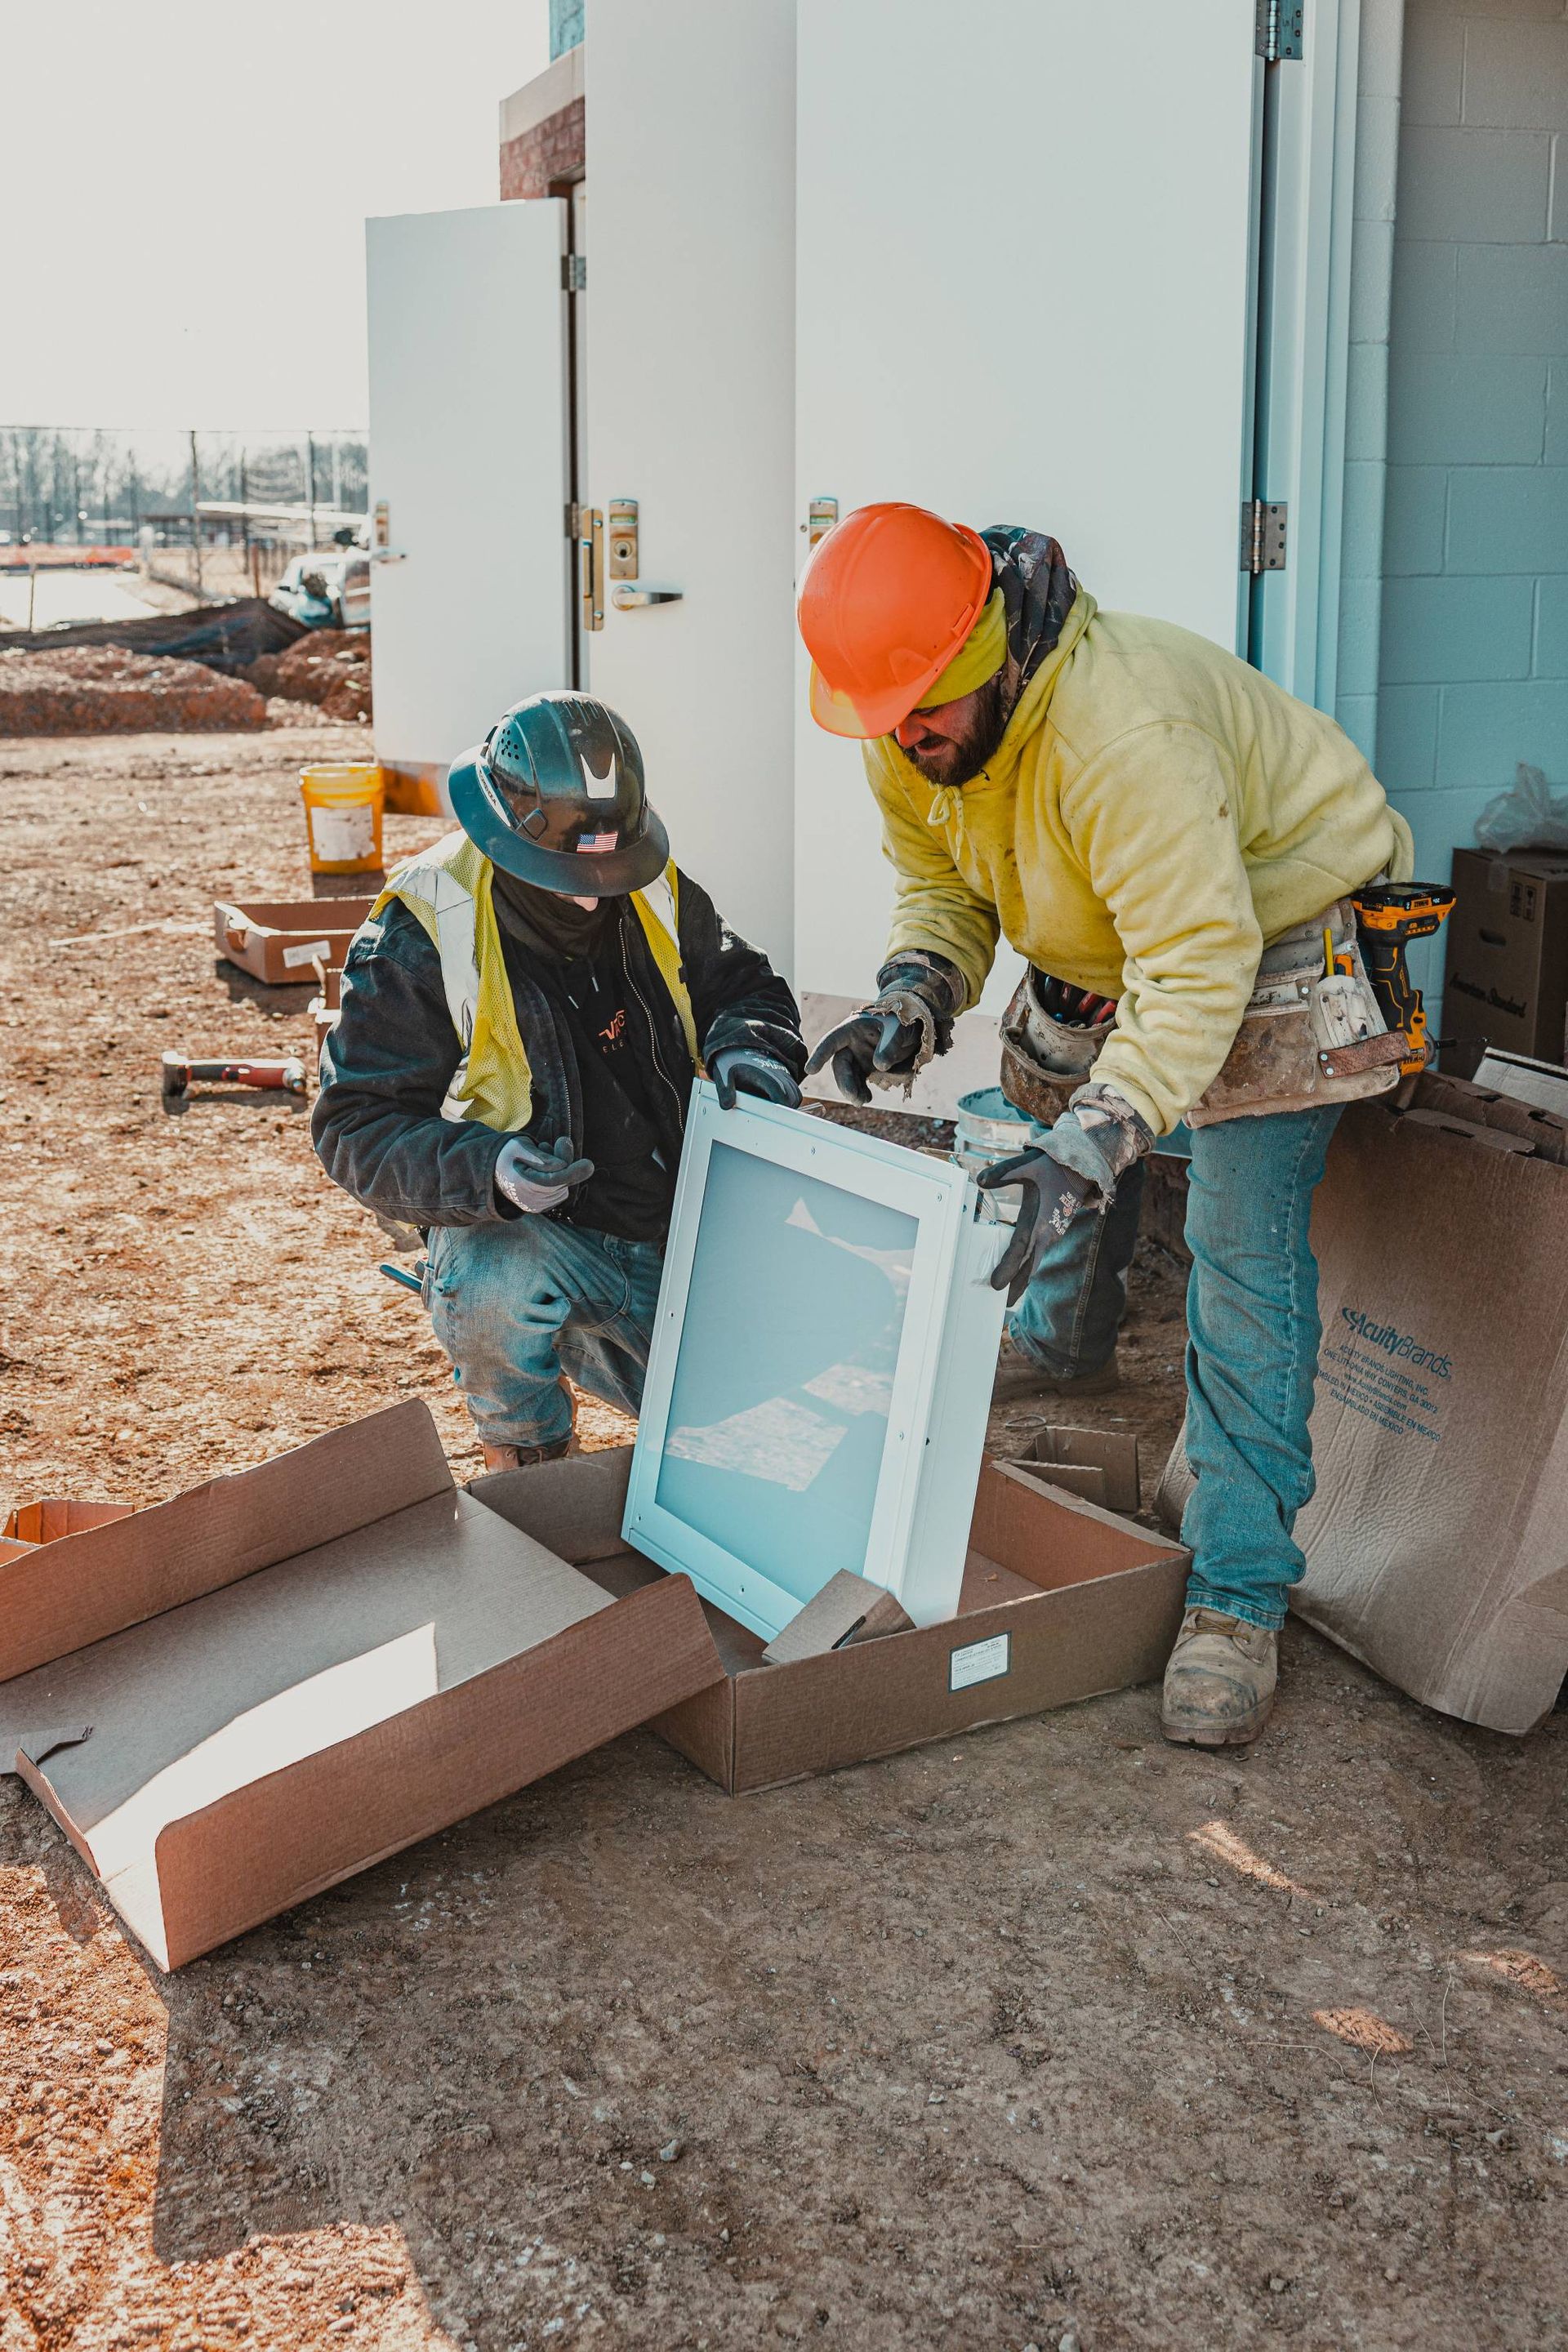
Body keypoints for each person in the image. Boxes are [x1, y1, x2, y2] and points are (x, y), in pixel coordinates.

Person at [798, 502, 1414, 1749]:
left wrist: (1101, 1136)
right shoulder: (907, 719)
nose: (906, 740)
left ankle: (1239, 1598)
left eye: (922, 714)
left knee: (1236, 1248)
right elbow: (942, 878)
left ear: (985, 656)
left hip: (1281, 922)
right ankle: (1065, 1336)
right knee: (1046, 1113)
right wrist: (915, 992)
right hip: (1137, 928)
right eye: (885, 724)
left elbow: (1196, 964)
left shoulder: (1122, 732)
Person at [314, 693, 805, 1468]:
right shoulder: (424, 926)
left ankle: (677, 1372)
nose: (597, 889)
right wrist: (492, 1171)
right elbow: (354, 1126)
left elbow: (748, 990)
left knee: (760, 1413)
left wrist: (754, 1053)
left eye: (613, 865)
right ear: (505, 835)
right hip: (547, 1245)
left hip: (675, 1236)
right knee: (490, 1275)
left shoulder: (650, 886)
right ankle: (531, 1459)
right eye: (574, 869)